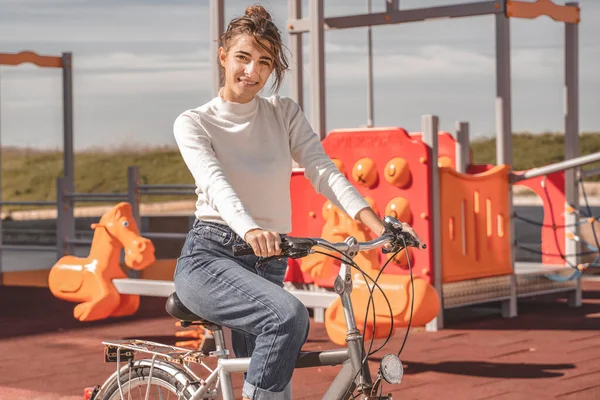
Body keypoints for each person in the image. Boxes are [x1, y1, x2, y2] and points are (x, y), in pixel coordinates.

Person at [172, 5, 423, 400]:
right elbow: (217, 184)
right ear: (223, 56)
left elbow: (324, 171)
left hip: (268, 262)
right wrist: (252, 228)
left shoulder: (283, 113)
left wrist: (382, 228)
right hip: (211, 258)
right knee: (288, 318)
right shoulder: (194, 122)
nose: (251, 72)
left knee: (277, 380)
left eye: (264, 62)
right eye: (242, 57)